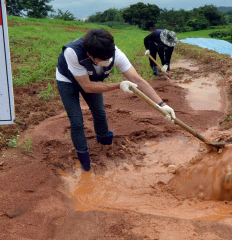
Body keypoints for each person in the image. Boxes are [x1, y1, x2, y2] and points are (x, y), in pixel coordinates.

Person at [56, 28, 176, 171]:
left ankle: (105, 146)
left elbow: (138, 79)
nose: (108, 61)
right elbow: (87, 87)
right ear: (90, 55)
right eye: (103, 60)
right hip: (67, 80)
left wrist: (162, 104)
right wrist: (118, 85)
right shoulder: (73, 53)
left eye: (109, 58)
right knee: (76, 121)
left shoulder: (115, 54)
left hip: (91, 78)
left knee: (99, 111)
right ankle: (85, 163)